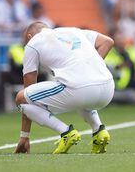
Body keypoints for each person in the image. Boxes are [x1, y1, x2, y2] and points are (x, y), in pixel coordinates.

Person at [14, 22, 115, 154]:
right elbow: (107, 41)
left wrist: (25, 136)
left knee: (21, 98)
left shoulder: (33, 43)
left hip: (78, 88)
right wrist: (89, 67)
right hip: (108, 88)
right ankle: (99, 130)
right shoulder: (73, 31)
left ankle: (66, 132)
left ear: (29, 36)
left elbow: (28, 91)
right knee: (80, 88)